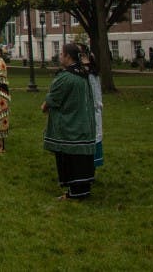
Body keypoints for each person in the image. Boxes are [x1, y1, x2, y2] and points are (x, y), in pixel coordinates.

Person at [42, 43, 96, 200]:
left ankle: (75, 192)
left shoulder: (65, 77)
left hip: (70, 126)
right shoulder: (84, 75)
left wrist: (44, 106)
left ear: (68, 57)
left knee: (71, 160)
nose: (59, 57)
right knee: (82, 161)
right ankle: (80, 190)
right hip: (84, 124)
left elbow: (53, 98)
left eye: (61, 54)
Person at [82, 49, 104, 168]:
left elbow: (95, 98)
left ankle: (88, 168)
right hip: (92, 113)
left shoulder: (90, 76)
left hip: (91, 114)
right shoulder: (92, 75)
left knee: (92, 140)